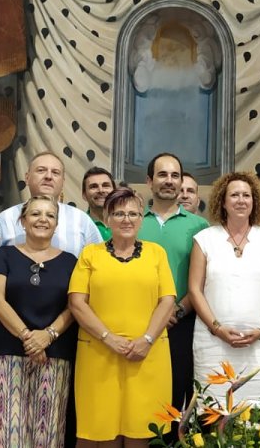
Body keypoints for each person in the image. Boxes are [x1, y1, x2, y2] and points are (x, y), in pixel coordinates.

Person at [68, 187, 176, 446]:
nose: (126, 219)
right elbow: (77, 302)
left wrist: (147, 339)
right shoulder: (90, 254)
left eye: (133, 214)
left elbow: (168, 301)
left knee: (142, 431)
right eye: (118, 214)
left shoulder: (156, 253)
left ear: (141, 219)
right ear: (107, 219)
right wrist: (109, 338)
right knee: (103, 431)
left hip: (147, 356)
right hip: (100, 354)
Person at [0, 195, 77, 448]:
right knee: (7, 434)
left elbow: (74, 306)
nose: (43, 219)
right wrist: (29, 337)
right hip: (9, 353)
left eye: (50, 215)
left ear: (57, 224)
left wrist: (47, 335)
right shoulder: (4, 255)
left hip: (55, 354)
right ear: (23, 221)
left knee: (48, 435)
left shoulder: (70, 261)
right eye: (36, 213)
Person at [187, 172, 260, 405]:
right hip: (213, 343)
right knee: (213, 412)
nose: (241, 200)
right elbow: (194, 290)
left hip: (259, 346)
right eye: (234, 195)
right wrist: (218, 328)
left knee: (256, 417)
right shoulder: (204, 239)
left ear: (254, 202)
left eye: (246, 195)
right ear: (222, 201)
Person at [137, 154, 209, 414]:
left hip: (181, 324)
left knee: (176, 400)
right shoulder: (133, 222)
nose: (169, 181)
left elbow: (203, 278)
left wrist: (175, 311)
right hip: (137, 324)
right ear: (149, 181)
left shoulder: (200, 226)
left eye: (174, 176)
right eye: (162, 175)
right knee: (142, 400)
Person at [0, 152, 101, 256]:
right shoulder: (5, 219)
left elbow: (99, 263)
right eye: (41, 170)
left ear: (63, 182)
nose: (48, 176)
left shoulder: (82, 220)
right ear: (27, 178)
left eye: (55, 173)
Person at [81, 167, 115, 240]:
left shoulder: (127, 223)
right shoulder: (79, 226)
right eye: (94, 187)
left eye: (105, 185)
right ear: (84, 195)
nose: (101, 190)